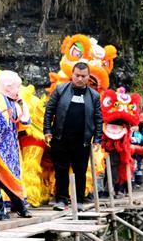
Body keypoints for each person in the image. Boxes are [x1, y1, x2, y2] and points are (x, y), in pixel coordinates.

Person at [43, 62, 102, 209]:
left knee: (80, 171)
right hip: (60, 137)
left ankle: (79, 201)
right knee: (61, 170)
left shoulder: (94, 96)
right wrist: (47, 130)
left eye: (83, 76)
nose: (80, 79)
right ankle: (62, 200)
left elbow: (98, 118)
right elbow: (49, 110)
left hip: (82, 140)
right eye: (77, 75)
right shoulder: (61, 90)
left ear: (88, 77)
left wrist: (98, 139)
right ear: (72, 75)